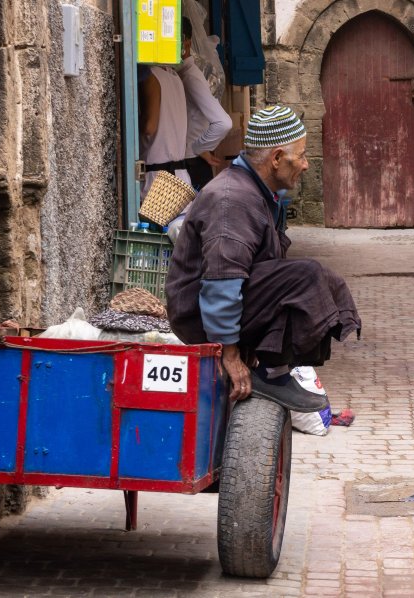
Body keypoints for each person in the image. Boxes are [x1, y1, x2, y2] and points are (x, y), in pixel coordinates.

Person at [165, 106, 361, 411]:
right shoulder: (233, 200)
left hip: (214, 307)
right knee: (304, 276)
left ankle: (272, 369)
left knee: (318, 277)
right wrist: (228, 353)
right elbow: (222, 283)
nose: (306, 165)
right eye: (302, 156)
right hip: (198, 315)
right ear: (277, 158)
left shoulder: (257, 193)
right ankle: (272, 373)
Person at [178, 16, 232, 190]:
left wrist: (197, 148)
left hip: (192, 164)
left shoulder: (191, 77)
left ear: (186, 42)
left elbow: (223, 123)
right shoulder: (181, 75)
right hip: (189, 161)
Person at [139, 60, 190, 196]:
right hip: (180, 176)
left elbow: (149, 126)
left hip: (158, 180)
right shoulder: (175, 77)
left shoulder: (151, 77)